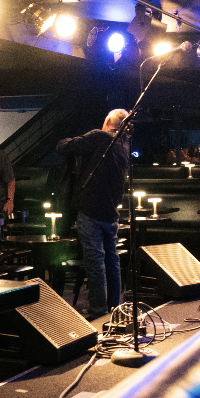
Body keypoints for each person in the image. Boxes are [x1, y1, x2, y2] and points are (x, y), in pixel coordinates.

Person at [56, 109, 131, 319]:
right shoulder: (123, 146)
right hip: (111, 211)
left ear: (108, 121)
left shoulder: (99, 136)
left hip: (91, 209)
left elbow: (65, 147)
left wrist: (67, 139)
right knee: (112, 261)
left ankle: (99, 310)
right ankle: (115, 308)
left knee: (95, 261)